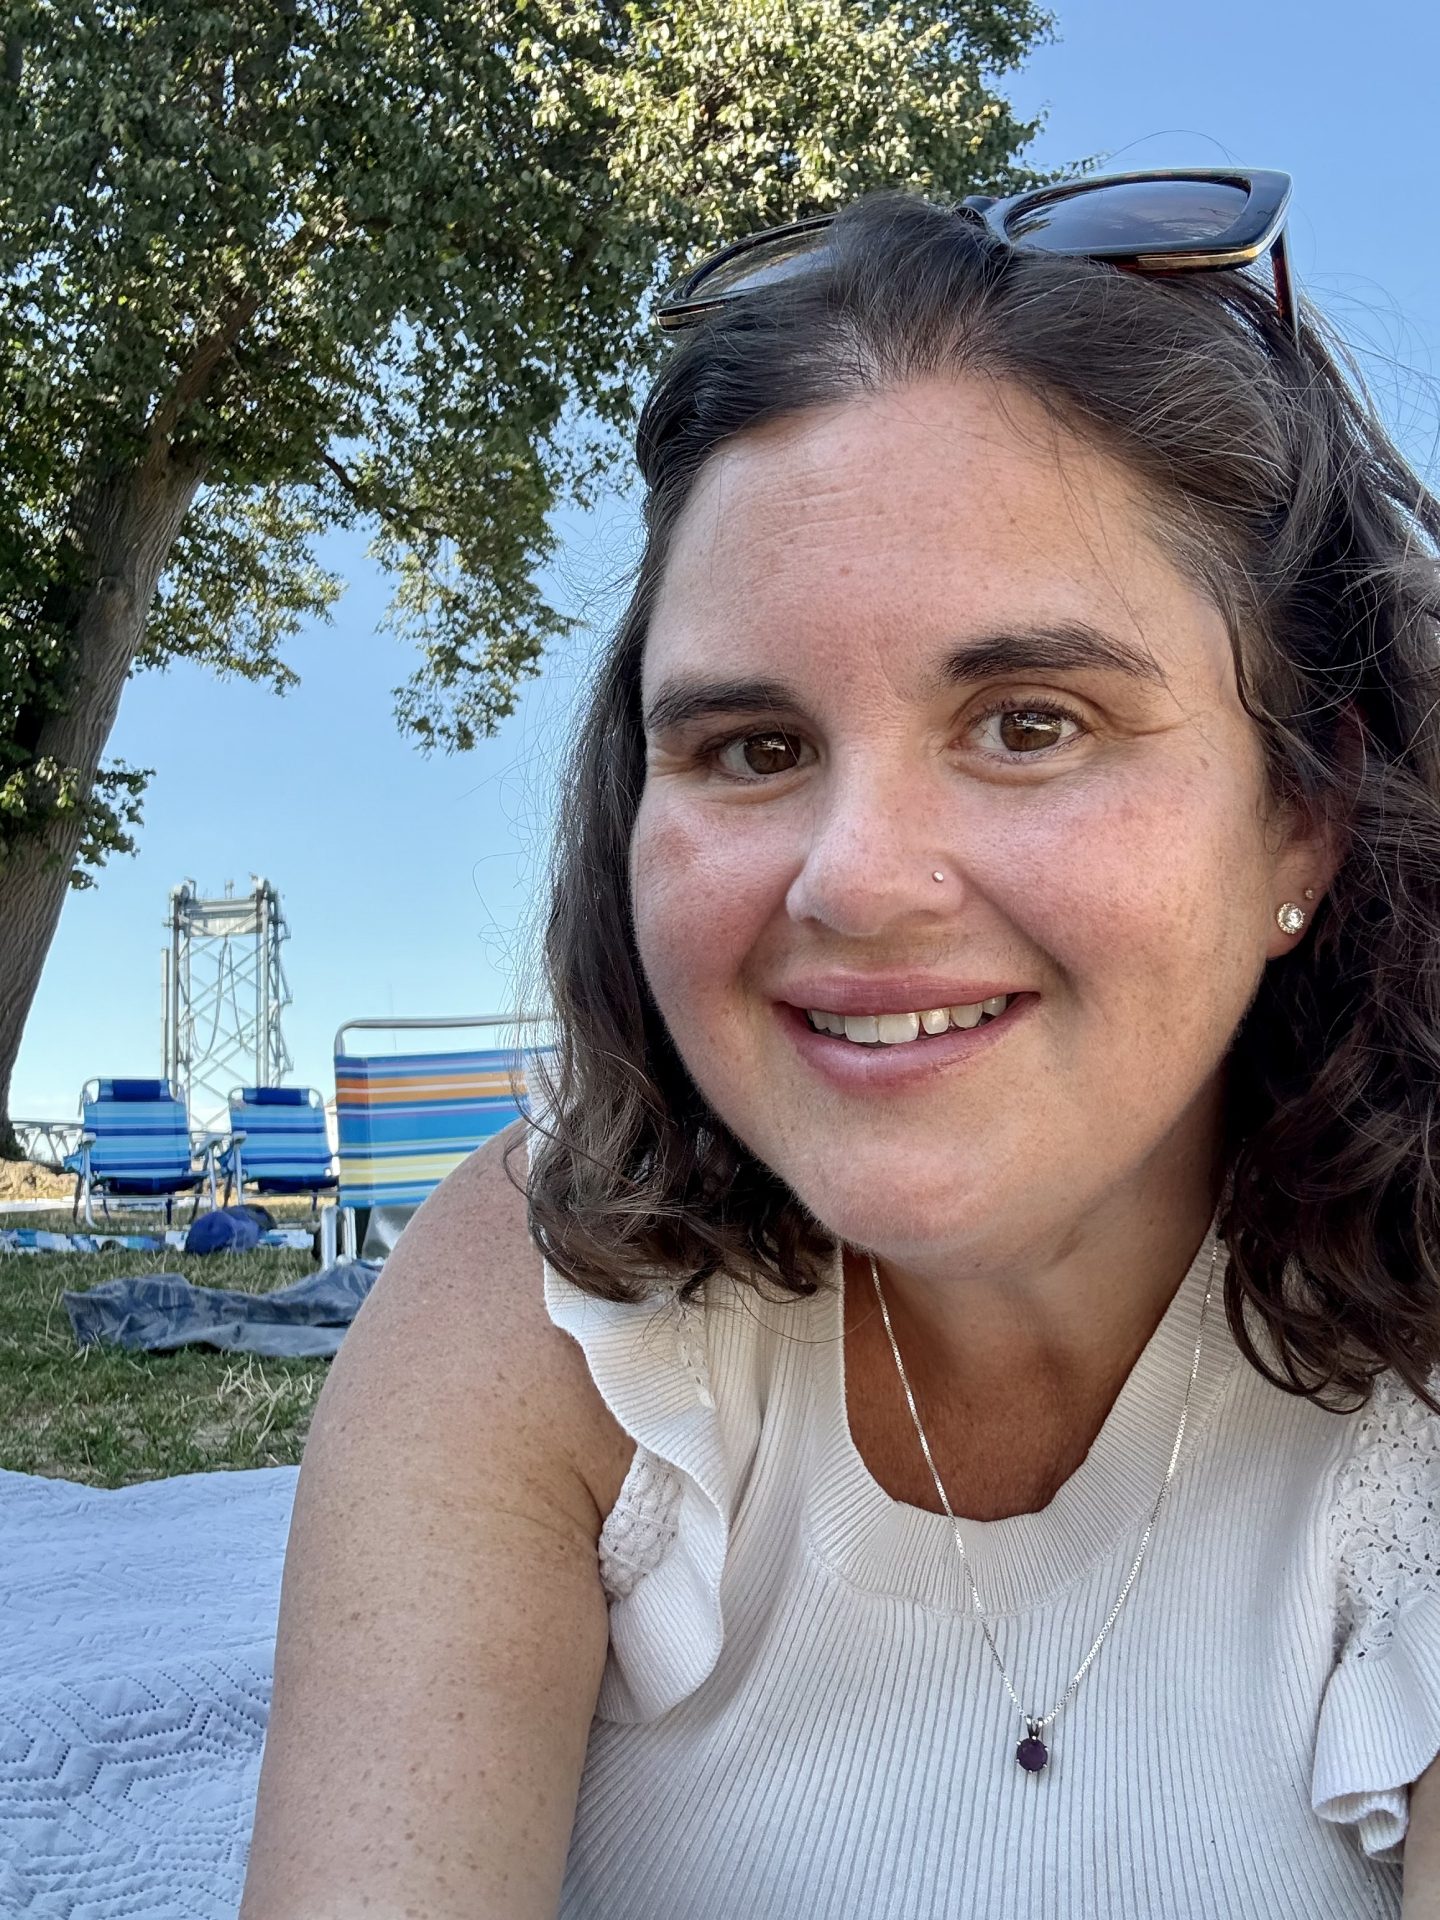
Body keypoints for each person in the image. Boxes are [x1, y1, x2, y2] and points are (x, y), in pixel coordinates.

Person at [239, 173, 1440, 1919]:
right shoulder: (552, 1297)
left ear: (1305, 817)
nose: (855, 879)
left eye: (1030, 723)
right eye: (748, 746)